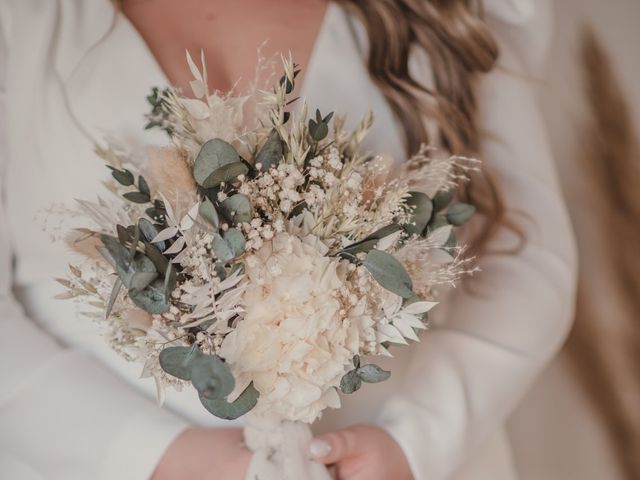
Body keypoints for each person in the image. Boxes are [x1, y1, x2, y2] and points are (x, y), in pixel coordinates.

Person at [0, 0, 577, 479]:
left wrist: (416, 443)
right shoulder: (23, 28)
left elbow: (525, 257)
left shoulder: (432, 16)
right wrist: (152, 456)